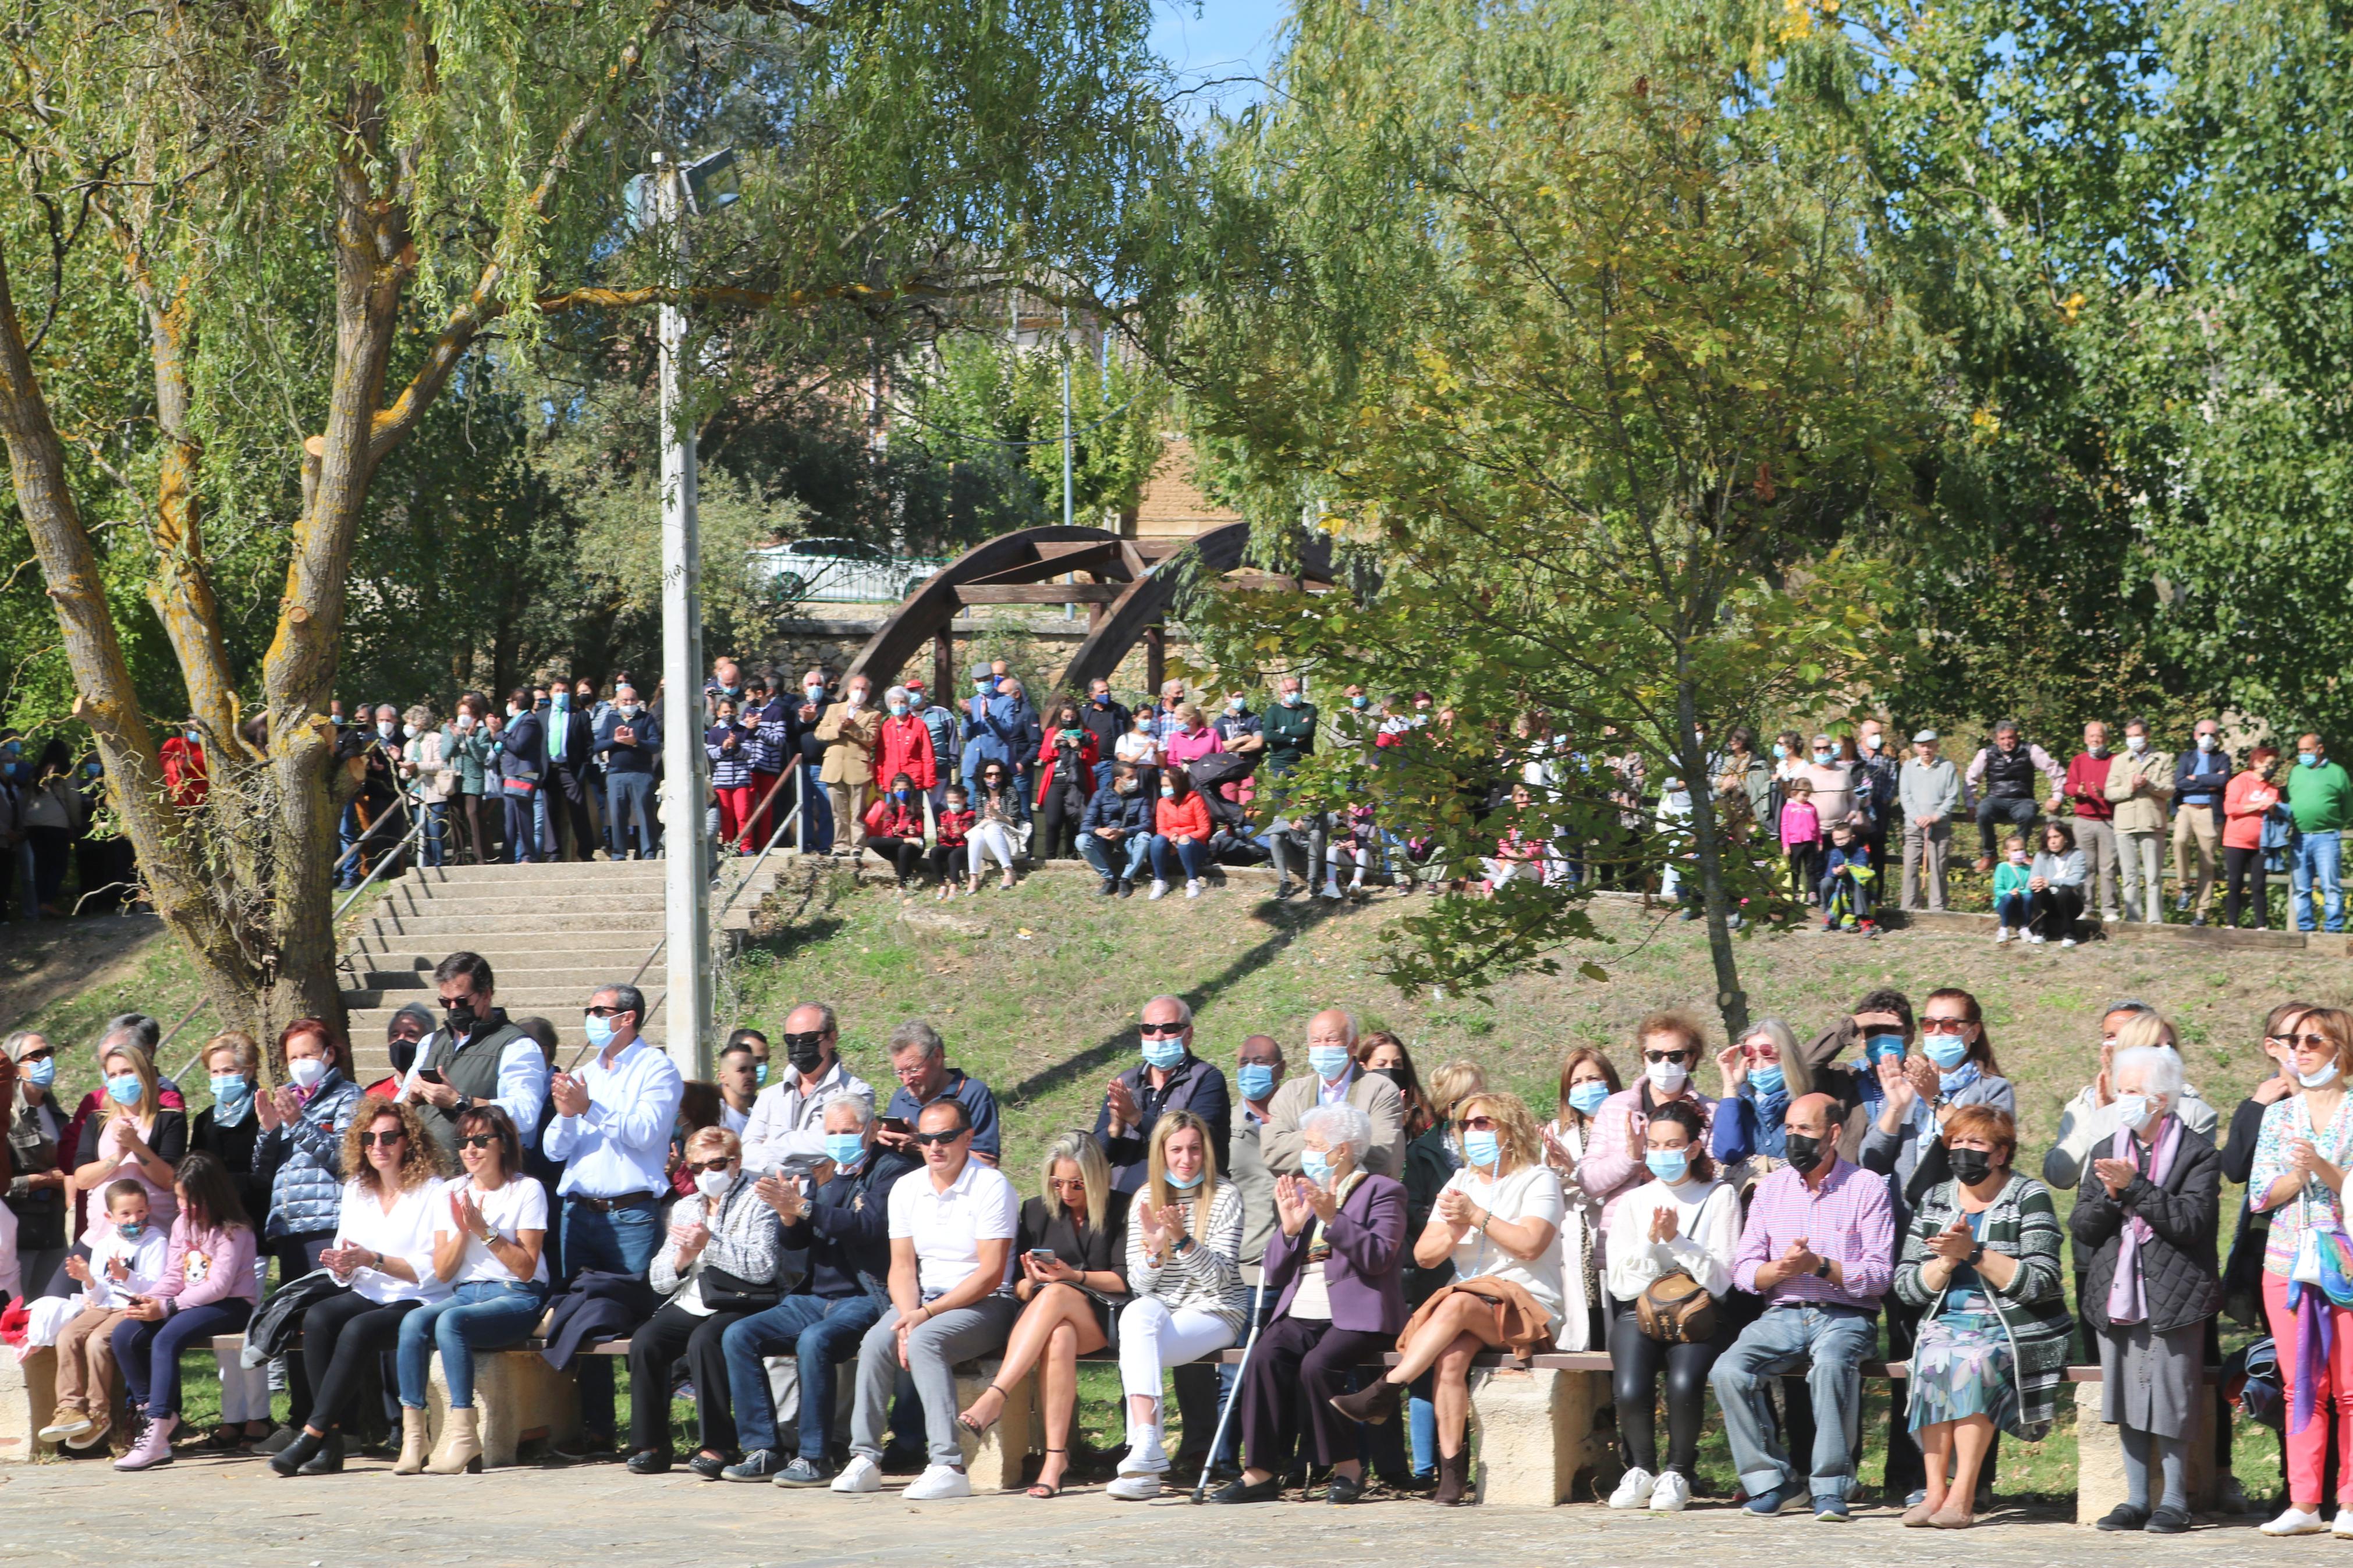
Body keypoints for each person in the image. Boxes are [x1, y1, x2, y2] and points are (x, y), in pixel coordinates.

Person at [1333, 1091, 1563, 1506]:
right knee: (1451, 1358)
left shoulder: (1537, 1178)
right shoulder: (1461, 1182)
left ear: (1509, 1128)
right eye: (1465, 1124)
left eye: (1483, 1122)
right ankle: (1452, 1475)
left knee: (1454, 1303)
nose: (1472, 1131)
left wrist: (1477, 1217)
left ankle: (1387, 1388)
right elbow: (1424, 1255)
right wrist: (1453, 1233)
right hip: (1471, 1305)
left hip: (1528, 1305)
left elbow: (1530, 1245)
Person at [1709, 1091, 1897, 1520]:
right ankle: (1773, 1482)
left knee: (1830, 1365)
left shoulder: (1866, 1186)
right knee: (1728, 1370)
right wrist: (1779, 1269)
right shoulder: (1770, 1190)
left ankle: (1830, 1487)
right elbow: (1745, 1271)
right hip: (1783, 1312)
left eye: (1806, 1129)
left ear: (1833, 1133)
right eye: (1790, 1129)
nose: (1795, 1138)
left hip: (1846, 1314)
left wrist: (1820, 1266)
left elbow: (1878, 1275)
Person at [1215, 1103, 1407, 1505]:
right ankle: (1260, 1471)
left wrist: (1334, 1219)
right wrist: (1288, 1230)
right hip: (1301, 1308)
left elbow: (1379, 1257)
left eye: (1315, 1145)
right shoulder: (1304, 1192)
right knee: (1264, 1356)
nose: (1307, 1154)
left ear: (1344, 1149)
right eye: (1307, 1145)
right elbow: (1274, 1272)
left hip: (1357, 1314)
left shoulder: (1382, 1191)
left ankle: (1347, 1467)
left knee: (1317, 1366)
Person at [1891, 1104, 2072, 1529]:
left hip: (2014, 1323)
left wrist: (1974, 1253)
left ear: (2000, 1153)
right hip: (1948, 1321)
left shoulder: (2028, 1196)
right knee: (1933, 1358)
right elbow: (1905, 1285)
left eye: (1975, 1142)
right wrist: (1946, 1263)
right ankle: (1933, 1493)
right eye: (1955, 1141)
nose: (1962, 1151)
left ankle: (1963, 1495)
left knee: (1974, 1362)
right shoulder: (1936, 1199)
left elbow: (2041, 1281)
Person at [721, 1096, 919, 1484]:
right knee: (739, 1335)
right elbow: (797, 1243)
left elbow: (867, 1226)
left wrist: (805, 1208)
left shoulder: (892, 1171)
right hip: (814, 1297)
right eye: (832, 1132)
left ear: (871, 1129)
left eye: (848, 1131)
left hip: (865, 1297)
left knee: (815, 1341)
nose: (840, 1139)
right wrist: (788, 1216)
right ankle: (764, 1449)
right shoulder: (825, 1171)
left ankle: (816, 1456)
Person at [832, 1098, 1021, 1501]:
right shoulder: (908, 1187)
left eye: (946, 1137)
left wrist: (924, 1316)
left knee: (925, 1341)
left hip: (986, 1303)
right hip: (923, 1302)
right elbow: (901, 1267)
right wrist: (907, 1317)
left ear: (968, 1138)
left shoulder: (991, 1186)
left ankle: (948, 1465)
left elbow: (990, 1273)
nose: (935, 1147)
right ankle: (865, 1457)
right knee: (876, 1342)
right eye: (926, 1138)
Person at [2068, 1044, 2223, 1534]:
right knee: (2124, 1395)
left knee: (2171, 1395)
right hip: (2116, 1290)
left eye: (2132, 1090)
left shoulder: (2198, 1153)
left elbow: (2191, 1222)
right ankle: (2135, 1498)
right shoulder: (2104, 1148)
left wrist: (2135, 1187)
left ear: (2159, 1098)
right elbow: (2082, 1226)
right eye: (2120, 1090)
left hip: (2175, 1293)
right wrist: (2111, 1195)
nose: (2123, 1099)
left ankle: (2174, 1500)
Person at [269, 1097, 449, 1477]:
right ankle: (332, 1439)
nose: (378, 1146)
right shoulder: (356, 1188)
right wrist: (342, 1266)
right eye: (369, 1138)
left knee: (358, 1328)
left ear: (408, 1141)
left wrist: (373, 1259)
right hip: (370, 1291)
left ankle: (313, 1433)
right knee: (318, 1317)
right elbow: (348, 1256)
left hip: (419, 1297)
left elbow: (435, 1270)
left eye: (388, 1137)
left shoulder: (433, 1191)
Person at [544, 982, 685, 1451]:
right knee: (583, 1318)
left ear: (627, 1018)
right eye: (587, 1010)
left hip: (631, 1215)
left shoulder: (657, 1068)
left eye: (599, 1011)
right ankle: (597, 1429)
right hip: (579, 1212)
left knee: (641, 1320)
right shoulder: (586, 1073)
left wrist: (588, 1107)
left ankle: (650, 1434)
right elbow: (554, 1148)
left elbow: (645, 1133)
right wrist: (567, 1114)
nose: (591, 1018)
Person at [956, 1132, 1130, 1497]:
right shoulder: (1036, 1211)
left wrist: (1073, 1277)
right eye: (1057, 1182)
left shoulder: (1122, 1208)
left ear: (1096, 1178)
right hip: (1048, 1319)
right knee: (1059, 1333)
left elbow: (1123, 1279)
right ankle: (1055, 1458)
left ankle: (996, 1396)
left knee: (1058, 1293)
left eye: (1077, 1184)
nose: (1066, 1192)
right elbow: (1018, 1288)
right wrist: (1032, 1281)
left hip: (1104, 1315)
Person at [1095, 1111, 1247, 1502]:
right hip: (1162, 1309)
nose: (1186, 1159)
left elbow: (1219, 1280)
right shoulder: (1146, 1198)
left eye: (1195, 1149)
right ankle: (1147, 1449)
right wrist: (1154, 1252)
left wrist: (1182, 1241)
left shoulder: (1225, 1195)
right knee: (1135, 1315)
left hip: (1216, 1310)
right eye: (1176, 1150)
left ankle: (1142, 1454)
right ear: (1161, 1153)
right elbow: (1139, 1285)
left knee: (1138, 1346)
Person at [391, 1104, 550, 1475]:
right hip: (466, 1292)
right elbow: (443, 1271)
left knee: (452, 1323)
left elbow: (526, 1268)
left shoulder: (526, 1190)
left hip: (516, 1295)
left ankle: (464, 1435)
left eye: (480, 1140)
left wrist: (484, 1231)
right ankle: (415, 1437)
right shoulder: (450, 1191)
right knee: (413, 1323)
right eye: (463, 1142)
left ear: (503, 1143)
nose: (470, 1150)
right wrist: (463, 1230)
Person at [1599, 1099, 1741, 1513]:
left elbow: (1722, 1279)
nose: (1662, 1153)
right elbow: (1621, 1283)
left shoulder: (1720, 1196)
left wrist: (1678, 1240)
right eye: (1654, 1145)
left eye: (1672, 1145)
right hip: (1642, 1308)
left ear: (1694, 1148)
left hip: (1701, 1311)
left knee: (1683, 1382)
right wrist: (1651, 1240)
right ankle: (1641, 1468)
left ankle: (1678, 1470)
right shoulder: (1634, 1201)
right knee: (1629, 1387)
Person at [625, 1126, 792, 1476]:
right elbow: (659, 1280)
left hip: (744, 1300)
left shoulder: (759, 1199)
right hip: (694, 1299)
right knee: (646, 1341)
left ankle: (718, 1446)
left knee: (705, 1341)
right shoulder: (687, 1207)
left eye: (716, 1164)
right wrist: (681, 1260)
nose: (707, 1173)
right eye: (697, 1167)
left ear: (736, 1162)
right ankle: (652, 1445)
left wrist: (709, 1244)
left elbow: (763, 1267)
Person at [2249, 1007, 2353, 1537]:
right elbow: (2259, 1193)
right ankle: (2304, 1503)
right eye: (2294, 1041)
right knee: (2301, 1384)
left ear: (2341, 1048)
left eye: (2314, 1039)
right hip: (2286, 1261)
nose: (2301, 1049)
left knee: (2351, 1385)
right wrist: (2295, 1174)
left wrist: (2322, 1167)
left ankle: (2350, 1502)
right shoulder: (2278, 1116)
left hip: (2346, 1262)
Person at [104, 1153, 260, 1470]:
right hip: (187, 1301)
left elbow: (219, 1287)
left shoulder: (234, 1230)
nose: (183, 1207)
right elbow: (174, 1275)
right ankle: (155, 1415)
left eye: (191, 1200)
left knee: (166, 1338)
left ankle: (157, 1434)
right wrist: (148, 1299)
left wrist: (167, 1307)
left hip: (231, 1305)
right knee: (124, 1334)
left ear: (212, 1194)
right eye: (179, 1198)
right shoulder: (181, 1224)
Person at [37, 1179, 170, 1453]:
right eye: (126, 1214)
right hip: (105, 1306)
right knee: (68, 1335)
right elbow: (98, 1294)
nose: (134, 1219)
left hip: (132, 1305)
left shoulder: (156, 1240)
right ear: (110, 1217)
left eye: (140, 1211)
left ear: (149, 1209)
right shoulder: (104, 1244)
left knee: (98, 1341)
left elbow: (155, 1286)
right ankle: (70, 1408)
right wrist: (88, 1280)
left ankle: (99, 1412)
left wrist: (126, 1275)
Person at [1577, 1012, 1717, 1243]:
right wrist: (1630, 1157)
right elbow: (1589, 1183)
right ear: (1644, 1057)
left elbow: (1712, 1179)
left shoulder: (1709, 1112)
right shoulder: (1615, 1107)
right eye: (1655, 1055)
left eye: (1676, 1056)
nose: (1665, 1064)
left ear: (1691, 1059)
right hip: (1622, 1239)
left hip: (1684, 1236)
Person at [398, 951, 548, 1163]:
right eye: (446, 1002)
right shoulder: (431, 1042)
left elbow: (526, 1114)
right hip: (423, 1171)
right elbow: (398, 1113)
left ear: (486, 994)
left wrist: (461, 1102)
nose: (453, 1009)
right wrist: (412, 1099)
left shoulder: (517, 1046)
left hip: (477, 1173)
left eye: (461, 1002)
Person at [1094, 994, 1233, 1193]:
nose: (1158, 1036)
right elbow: (1095, 1159)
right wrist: (1115, 1129)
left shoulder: (1207, 1080)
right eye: (1149, 1029)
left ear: (1189, 1034)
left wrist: (1135, 1117)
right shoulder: (1125, 1082)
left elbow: (1198, 1143)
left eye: (1169, 1029)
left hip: (1181, 1200)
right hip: (1120, 1200)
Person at [1261, 1008, 1407, 1179]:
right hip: (1301, 1196)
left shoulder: (1381, 1090)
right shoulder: (1291, 1093)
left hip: (1360, 1196)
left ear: (1353, 1045)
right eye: (1316, 1041)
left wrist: (1311, 1157)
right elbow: (1272, 1153)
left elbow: (1382, 1156)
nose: (1323, 1047)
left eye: (1332, 1039)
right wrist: (1344, 1144)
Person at [1541, 1046, 1621, 1354]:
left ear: (1610, 1083)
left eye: (1594, 1079)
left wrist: (1576, 1173)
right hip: (1575, 1242)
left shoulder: (1626, 1130)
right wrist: (1556, 1169)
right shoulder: (1557, 1134)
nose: (1586, 1087)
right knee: (1582, 1328)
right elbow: (1549, 1194)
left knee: (1616, 1328)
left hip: (1614, 1236)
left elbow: (1619, 1184)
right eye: (1577, 1082)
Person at [739, 1002, 875, 1172]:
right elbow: (746, 1154)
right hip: (769, 1187)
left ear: (832, 1039)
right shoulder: (769, 1096)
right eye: (791, 1040)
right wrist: (801, 1166)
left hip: (826, 1188)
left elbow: (836, 1147)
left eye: (809, 1039)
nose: (798, 1047)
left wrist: (775, 1145)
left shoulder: (856, 1092)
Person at [876, 1019, 1001, 1166]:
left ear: (937, 1056)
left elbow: (988, 1163)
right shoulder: (901, 1097)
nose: (906, 1081)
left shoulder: (973, 1094)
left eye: (914, 1070)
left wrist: (922, 1145)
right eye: (900, 1072)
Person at [1708, 1017, 1811, 1189]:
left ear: (1788, 1057)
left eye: (1769, 1056)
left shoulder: (1808, 1102)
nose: (1760, 1066)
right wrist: (1730, 1090)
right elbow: (1727, 1154)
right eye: (1751, 1058)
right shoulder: (1738, 1104)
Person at [7, 1030, 69, 1302]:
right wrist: (45, 1180)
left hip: (54, 1230)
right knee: (15, 1315)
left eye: (48, 1053)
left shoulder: (56, 1111)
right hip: (19, 1238)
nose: (46, 1061)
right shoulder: (6, 1116)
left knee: (52, 1309)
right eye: (36, 1055)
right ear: (14, 1067)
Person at [1966, 719, 2064, 869]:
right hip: (1996, 798)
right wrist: (1970, 804)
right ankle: (1989, 854)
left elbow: (2055, 770)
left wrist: (2056, 797)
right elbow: (1970, 778)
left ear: (2017, 736)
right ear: (1996, 740)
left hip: (2022, 799)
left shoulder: (2031, 750)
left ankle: (2021, 853)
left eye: (2010, 738)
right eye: (2002, 739)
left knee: (2028, 813)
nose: (2007, 742)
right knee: (1983, 812)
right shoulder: (1986, 753)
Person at [2107, 718, 2174, 924]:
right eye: (2129, 736)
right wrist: (2131, 788)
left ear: (2147, 735)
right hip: (2125, 823)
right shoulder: (2119, 761)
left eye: (2137, 735)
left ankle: (2155, 922)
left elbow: (2170, 790)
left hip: (2152, 822)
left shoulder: (2163, 759)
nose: (2133, 740)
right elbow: (2110, 792)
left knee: (2153, 877)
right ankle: (2133, 920)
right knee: (2129, 877)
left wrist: (2149, 785)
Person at [2060, 720, 2125, 923]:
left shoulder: (2116, 760)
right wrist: (2077, 790)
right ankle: (2085, 907)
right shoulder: (2079, 760)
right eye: (2092, 736)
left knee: (2108, 867)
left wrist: (2104, 793)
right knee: (2084, 867)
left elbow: (2122, 788)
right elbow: (2068, 785)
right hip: (2084, 820)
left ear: (2106, 739)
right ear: (2085, 739)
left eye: (2099, 736)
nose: (2095, 740)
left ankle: (2109, 909)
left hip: (2109, 820)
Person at [2288, 733, 2352, 934]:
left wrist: (2335, 823)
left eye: (2307, 749)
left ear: (2320, 749)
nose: (2303, 754)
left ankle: (2333, 929)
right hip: (2299, 837)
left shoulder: (2337, 772)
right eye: (2300, 750)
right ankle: (2305, 928)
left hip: (2327, 837)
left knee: (2331, 885)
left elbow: (2348, 805)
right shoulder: (2296, 772)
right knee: (2301, 887)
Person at [817, 675, 885, 859]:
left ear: (868, 693)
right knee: (838, 811)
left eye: (863, 689)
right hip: (834, 766)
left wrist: (852, 727)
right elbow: (820, 733)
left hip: (858, 768)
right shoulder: (833, 709)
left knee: (857, 812)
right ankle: (840, 845)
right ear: (848, 690)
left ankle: (857, 846)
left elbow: (871, 739)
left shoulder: (873, 714)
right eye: (856, 688)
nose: (859, 692)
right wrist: (839, 728)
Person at [2173, 718, 2233, 922]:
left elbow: (2222, 780)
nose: (2208, 738)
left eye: (2212, 735)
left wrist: (2195, 778)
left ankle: (2201, 912)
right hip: (2186, 808)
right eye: (2203, 734)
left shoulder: (2223, 758)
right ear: (2195, 735)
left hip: (2209, 811)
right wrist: (2208, 781)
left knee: (2207, 862)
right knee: (2179, 841)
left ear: (2218, 737)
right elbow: (2180, 783)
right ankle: (2184, 887)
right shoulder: (2186, 757)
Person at [595, 683, 661, 860]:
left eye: (632, 700)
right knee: (617, 816)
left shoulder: (646, 719)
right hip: (616, 775)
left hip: (641, 774)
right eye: (625, 700)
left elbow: (655, 745)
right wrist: (615, 740)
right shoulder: (611, 719)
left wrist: (636, 742)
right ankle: (619, 854)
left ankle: (649, 853)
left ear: (638, 701)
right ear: (617, 703)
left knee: (645, 815)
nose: (629, 703)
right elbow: (598, 745)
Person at [1899, 729, 1961, 911]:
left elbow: (1952, 796)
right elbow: (1905, 796)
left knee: (1938, 867)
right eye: (1922, 746)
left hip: (1940, 826)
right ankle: (1909, 909)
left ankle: (1937, 909)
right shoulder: (1908, 767)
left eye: (1930, 746)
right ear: (1916, 748)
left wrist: (1935, 817)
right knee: (1910, 867)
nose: (1926, 750)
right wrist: (1917, 818)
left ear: (1937, 747)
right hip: (1914, 826)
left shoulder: (1947, 767)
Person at [2226, 744, 2286, 929]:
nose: (2272, 768)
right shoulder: (2239, 781)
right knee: (2235, 882)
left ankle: (2261, 925)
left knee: (2259, 884)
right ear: (2257, 763)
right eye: (2269, 764)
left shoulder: (2272, 789)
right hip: (2236, 841)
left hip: (2262, 844)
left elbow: (2278, 815)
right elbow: (2230, 808)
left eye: (2274, 764)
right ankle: (2231, 924)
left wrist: (2273, 808)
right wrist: (2259, 805)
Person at [1032, 700, 1101, 862]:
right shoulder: (1052, 732)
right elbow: (1044, 756)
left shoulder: (1088, 734)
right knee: (1053, 820)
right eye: (1066, 717)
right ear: (1060, 717)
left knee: (1074, 820)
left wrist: (1079, 748)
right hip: (1056, 780)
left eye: (1072, 717)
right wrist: (1054, 744)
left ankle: (1072, 855)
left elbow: (1093, 760)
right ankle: (1050, 857)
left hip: (1077, 781)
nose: (1069, 720)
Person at [1080, 762, 1154, 895]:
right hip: (1106, 844)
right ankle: (1109, 879)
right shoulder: (1100, 795)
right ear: (1118, 780)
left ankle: (1126, 879)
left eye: (1136, 777)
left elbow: (1147, 824)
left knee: (1145, 838)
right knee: (1081, 840)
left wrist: (1123, 832)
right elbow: (1085, 825)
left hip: (1129, 843)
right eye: (1130, 778)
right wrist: (1099, 831)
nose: (1135, 781)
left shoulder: (1142, 795)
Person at [1148, 762, 1213, 901]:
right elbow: (1161, 828)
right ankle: (1160, 881)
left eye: (1167, 786)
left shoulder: (1196, 800)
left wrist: (1183, 838)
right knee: (1157, 840)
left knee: (1185, 841)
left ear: (1178, 785)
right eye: (1162, 786)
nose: (1164, 790)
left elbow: (1205, 830)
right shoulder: (1162, 803)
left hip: (1194, 848)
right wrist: (1172, 837)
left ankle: (1193, 882)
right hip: (1172, 847)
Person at [873, 685, 938, 824]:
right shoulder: (886, 726)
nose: (898, 705)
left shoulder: (919, 725)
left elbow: (928, 755)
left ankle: (916, 837)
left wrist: (929, 781)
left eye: (902, 702)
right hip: (891, 781)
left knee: (914, 817)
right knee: (892, 818)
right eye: (895, 702)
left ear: (908, 704)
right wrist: (879, 780)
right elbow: (880, 756)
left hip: (914, 781)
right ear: (889, 705)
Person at [2025, 819, 2088, 947]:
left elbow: (2076, 880)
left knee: (2065, 891)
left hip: (2071, 903)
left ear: (2066, 837)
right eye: (2049, 838)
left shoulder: (2077, 855)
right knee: (2038, 890)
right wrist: (2037, 883)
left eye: (2056, 837)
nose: (2053, 842)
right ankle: (2040, 932)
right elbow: (2030, 883)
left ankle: (2069, 934)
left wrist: (2050, 882)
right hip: (2049, 903)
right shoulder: (2041, 856)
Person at [966, 759, 1025, 893]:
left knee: (992, 828)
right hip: (988, 847)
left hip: (1010, 844)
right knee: (977, 833)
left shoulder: (1010, 792)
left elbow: (1014, 822)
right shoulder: (981, 795)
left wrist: (996, 814)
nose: (994, 778)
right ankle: (974, 878)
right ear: (983, 777)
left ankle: (1009, 872)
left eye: (998, 774)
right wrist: (987, 818)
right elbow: (978, 821)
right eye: (989, 775)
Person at [860, 774, 929, 887]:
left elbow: (920, 831)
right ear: (893, 790)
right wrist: (893, 832)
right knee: (872, 841)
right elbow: (886, 833)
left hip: (914, 848)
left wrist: (914, 832)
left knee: (904, 849)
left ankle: (902, 886)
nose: (903, 792)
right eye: (899, 790)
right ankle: (906, 841)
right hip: (896, 845)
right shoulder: (890, 808)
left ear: (911, 789)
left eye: (906, 790)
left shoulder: (917, 807)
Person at [707, 698, 756, 854]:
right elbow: (711, 754)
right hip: (722, 781)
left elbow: (748, 753)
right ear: (718, 713)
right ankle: (728, 846)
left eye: (731, 711)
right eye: (725, 712)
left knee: (743, 814)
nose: (728, 715)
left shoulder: (743, 730)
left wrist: (735, 747)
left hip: (741, 779)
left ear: (736, 712)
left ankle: (746, 847)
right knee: (726, 816)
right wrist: (723, 748)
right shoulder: (714, 732)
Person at [1818, 817, 1875, 933]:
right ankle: (1829, 915)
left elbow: (1862, 871)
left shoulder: (1860, 852)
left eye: (1843, 838)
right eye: (1836, 840)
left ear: (1852, 838)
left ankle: (1863, 918)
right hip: (1838, 884)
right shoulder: (1834, 853)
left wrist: (1847, 871)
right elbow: (1829, 872)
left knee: (1858, 883)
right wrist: (1836, 872)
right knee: (1825, 882)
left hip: (1853, 884)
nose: (1840, 842)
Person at [1778, 777, 1820, 901]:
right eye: (1804, 795)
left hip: (1809, 842)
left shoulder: (1811, 808)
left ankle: (1812, 892)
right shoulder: (1789, 808)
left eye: (1808, 795)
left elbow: (1817, 826)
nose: (1806, 798)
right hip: (1795, 843)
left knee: (1810, 868)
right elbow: (1784, 826)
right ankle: (1796, 892)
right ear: (1796, 792)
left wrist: (1819, 841)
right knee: (1795, 869)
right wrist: (1786, 845)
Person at [1990, 834, 2032, 941]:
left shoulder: (2028, 869)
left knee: (2029, 896)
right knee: (2008, 897)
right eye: (2015, 850)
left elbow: (2030, 889)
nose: (2019, 852)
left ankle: (2024, 927)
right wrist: (2010, 893)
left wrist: (2020, 893)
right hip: (2005, 903)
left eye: (2021, 849)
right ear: (2006, 852)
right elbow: (1998, 890)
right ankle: (2003, 928)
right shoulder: (2002, 867)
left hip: (2021, 903)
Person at [715, 1041, 760, 1136]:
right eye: (742, 1070)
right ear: (723, 1078)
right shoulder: (716, 1119)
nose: (750, 1076)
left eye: (754, 1070)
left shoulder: (760, 1118)